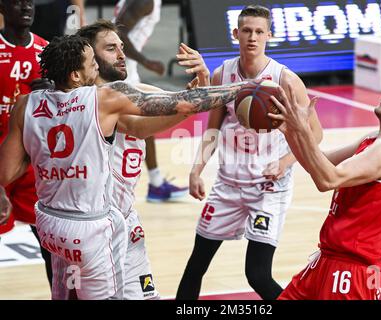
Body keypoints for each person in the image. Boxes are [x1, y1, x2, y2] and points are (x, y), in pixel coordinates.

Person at [0, 34, 247, 300]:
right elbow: (188, 103)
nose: (96, 67)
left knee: (68, 292)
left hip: (50, 223)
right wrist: (248, 87)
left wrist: (41, 150)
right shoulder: (105, 98)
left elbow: (6, 172)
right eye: (93, 61)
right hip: (90, 228)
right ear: (75, 75)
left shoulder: (27, 104)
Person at [176, 5, 323, 300]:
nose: (252, 37)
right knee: (196, 265)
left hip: (268, 187)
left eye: (259, 32)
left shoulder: (285, 80)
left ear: (269, 35)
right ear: (235, 34)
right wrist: (195, 170)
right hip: (228, 184)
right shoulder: (222, 74)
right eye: (246, 31)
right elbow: (213, 128)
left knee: (256, 275)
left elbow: (315, 134)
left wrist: (284, 162)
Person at [268, 73, 381, 300]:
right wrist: (291, 130)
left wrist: (301, 130)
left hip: (353, 272)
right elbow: (321, 161)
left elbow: (327, 179)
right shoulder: (376, 139)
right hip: (325, 261)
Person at [75, 20, 210, 300]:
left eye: (121, 47)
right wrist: (191, 105)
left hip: (125, 221)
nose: (122, 54)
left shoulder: (130, 88)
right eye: (111, 48)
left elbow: (181, 99)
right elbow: (139, 127)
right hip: (92, 228)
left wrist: (202, 83)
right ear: (91, 56)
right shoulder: (93, 100)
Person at [0, 0, 53, 288]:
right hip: (0, 158)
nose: (25, 7)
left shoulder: (45, 50)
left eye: (29, 2)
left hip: (30, 159)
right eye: (17, 2)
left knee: (50, 243)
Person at [115, 0, 189, 202]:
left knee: (139, 121)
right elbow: (118, 34)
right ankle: (150, 184)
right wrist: (146, 61)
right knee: (140, 120)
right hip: (122, 67)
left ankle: (155, 182)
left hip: (123, 65)